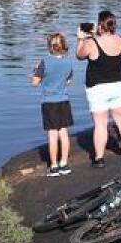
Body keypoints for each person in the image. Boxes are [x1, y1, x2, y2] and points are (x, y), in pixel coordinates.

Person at [76, 10, 121, 168]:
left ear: (100, 25)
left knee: (100, 123)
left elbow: (79, 55)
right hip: (119, 85)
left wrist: (81, 39)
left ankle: (99, 158)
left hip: (98, 87)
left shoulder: (92, 43)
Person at [31, 33, 74, 177]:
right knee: (64, 133)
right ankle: (64, 163)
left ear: (50, 47)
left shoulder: (44, 62)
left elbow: (35, 83)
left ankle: (54, 166)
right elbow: (68, 81)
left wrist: (35, 70)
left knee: (52, 134)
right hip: (64, 101)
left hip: (49, 102)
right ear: (63, 46)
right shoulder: (68, 63)